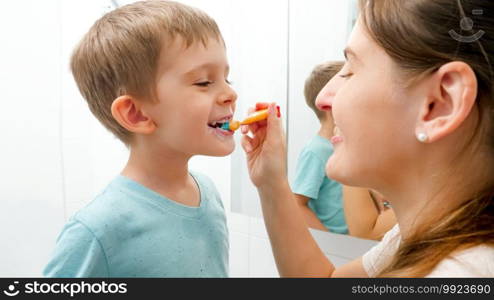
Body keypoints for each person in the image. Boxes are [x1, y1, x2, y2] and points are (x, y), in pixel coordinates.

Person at [241, 0, 494, 277]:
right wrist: (271, 182)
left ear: (440, 103)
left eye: (350, 71)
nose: (322, 99)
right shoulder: (426, 236)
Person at [44, 1, 236, 277]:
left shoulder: (207, 192)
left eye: (229, 79)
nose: (230, 93)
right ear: (136, 114)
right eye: (204, 82)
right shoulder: (97, 229)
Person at [292, 61, 348, 233]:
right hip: (336, 246)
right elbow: (298, 204)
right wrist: (328, 239)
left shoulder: (349, 147)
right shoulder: (316, 151)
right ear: (330, 104)